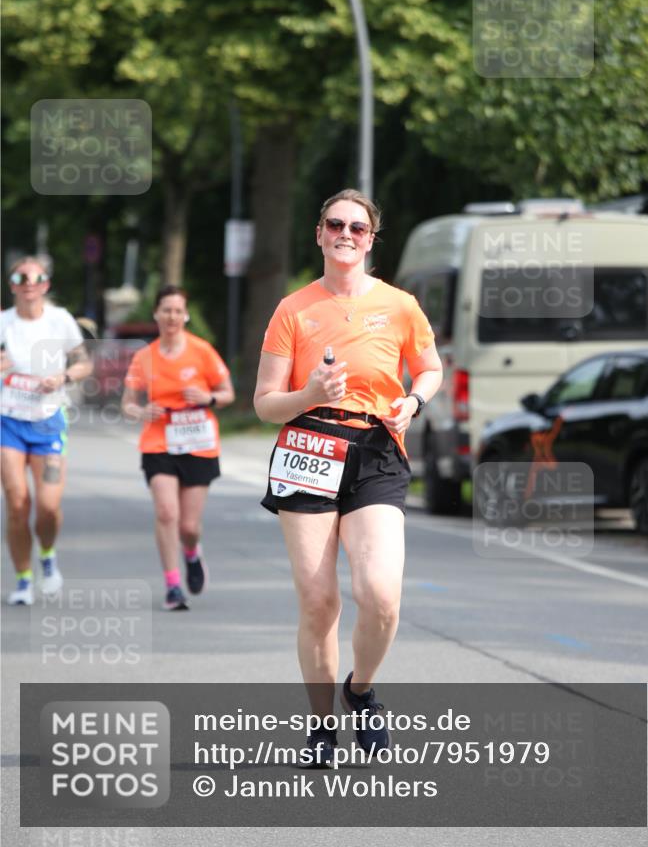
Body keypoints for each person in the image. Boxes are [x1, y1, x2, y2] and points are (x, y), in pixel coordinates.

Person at [254, 189, 443, 764]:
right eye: (335, 224)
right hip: (309, 443)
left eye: (358, 228)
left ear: (370, 239)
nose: (346, 234)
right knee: (318, 603)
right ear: (318, 234)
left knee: (380, 595)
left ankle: (359, 690)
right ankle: (319, 726)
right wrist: (310, 392)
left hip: (376, 450)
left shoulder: (401, 304)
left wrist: (412, 401)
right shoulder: (293, 309)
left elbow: (431, 367)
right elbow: (264, 403)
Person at [121, 286, 234, 611]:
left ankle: (192, 553)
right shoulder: (145, 357)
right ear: (156, 314)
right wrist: (141, 412)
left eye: (177, 310)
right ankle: (172, 585)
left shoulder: (202, 351)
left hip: (198, 440)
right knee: (166, 512)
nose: (171, 316)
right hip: (159, 441)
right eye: (165, 310)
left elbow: (226, 393)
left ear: (185, 316)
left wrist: (208, 398)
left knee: (188, 526)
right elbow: (127, 403)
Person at [1, 257, 92, 606]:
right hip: (8, 421)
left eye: (35, 277)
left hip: (48, 420)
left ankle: (48, 556)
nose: (28, 282)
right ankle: (24, 579)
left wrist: (64, 377)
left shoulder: (60, 320)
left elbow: (84, 362)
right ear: (12, 285)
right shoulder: (3, 323)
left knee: (48, 508)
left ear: (45, 285)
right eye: (20, 277)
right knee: (17, 503)